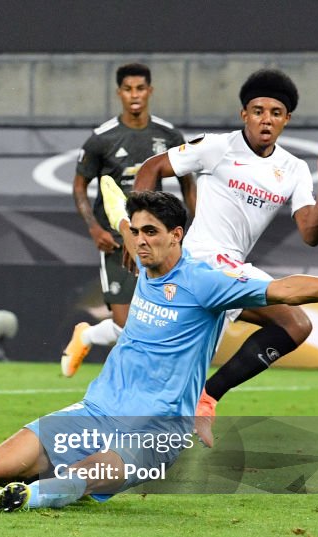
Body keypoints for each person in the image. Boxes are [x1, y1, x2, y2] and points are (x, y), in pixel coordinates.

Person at [0, 190, 318, 512]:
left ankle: (37, 495)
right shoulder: (143, 254)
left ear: (177, 235)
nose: (139, 240)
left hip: (156, 431)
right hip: (97, 410)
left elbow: (288, 290)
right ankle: (70, 482)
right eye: (134, 232)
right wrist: (118, 203)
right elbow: (123, 217)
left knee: (65, 480)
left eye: (150, 232)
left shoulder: (206, 281)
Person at [133, 68, 318, 446]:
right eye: (258, 110)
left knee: (294, 325)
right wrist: (142, 231)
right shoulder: (218, 147)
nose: (266, 119)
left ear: (286, 120)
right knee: (292, 322)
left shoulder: (295, 170)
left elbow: (311, 234)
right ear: (243, 114)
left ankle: (204, 399)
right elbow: (152, 168)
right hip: (198, 263)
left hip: (230, 270)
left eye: (275, 112)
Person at [62, 62, 197, 378]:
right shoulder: (102, 139)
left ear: (150, 91)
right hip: (116, 240)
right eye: (128, 89)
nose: (134, 95)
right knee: (127, 325)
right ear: (119, 93)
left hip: (157, 242)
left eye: (140, 88)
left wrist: (195, 228)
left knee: (157, 321)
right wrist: (95, 228)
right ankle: (93, 339)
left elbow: (189, 184)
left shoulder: (168, 135)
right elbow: (80, 187)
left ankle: (99, 345)